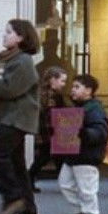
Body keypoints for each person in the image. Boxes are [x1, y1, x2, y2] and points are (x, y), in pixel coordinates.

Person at [0, 18, 42, 214]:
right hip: (10, 117)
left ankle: (13, 198)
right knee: (17, 167)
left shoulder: (23, 61)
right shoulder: (7, 59)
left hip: (18, 118)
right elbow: (4, 80)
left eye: (9, 32)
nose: (4, 35)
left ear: (21, 37)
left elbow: (9, 89)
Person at [59, 73, 108, 214]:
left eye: (77, 87)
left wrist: (84, 133)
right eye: (73, 86)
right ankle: (84, 209)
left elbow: (100, 131)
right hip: (74, 155)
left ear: (88, 90)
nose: (72, 90)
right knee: (65, 184)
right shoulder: (78, 108)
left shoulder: (94, 109)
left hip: (87, 155)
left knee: (87, 188)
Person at [28, 66, 69, 194]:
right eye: (62, 81)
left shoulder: (42, 93)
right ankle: (29, 179)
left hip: (45, 130)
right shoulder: (52, 95)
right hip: (50, 130)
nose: (64, 84)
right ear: (52, 80)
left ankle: (30, 179)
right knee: (48, 156)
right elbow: (54, 113)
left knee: (53, 156)